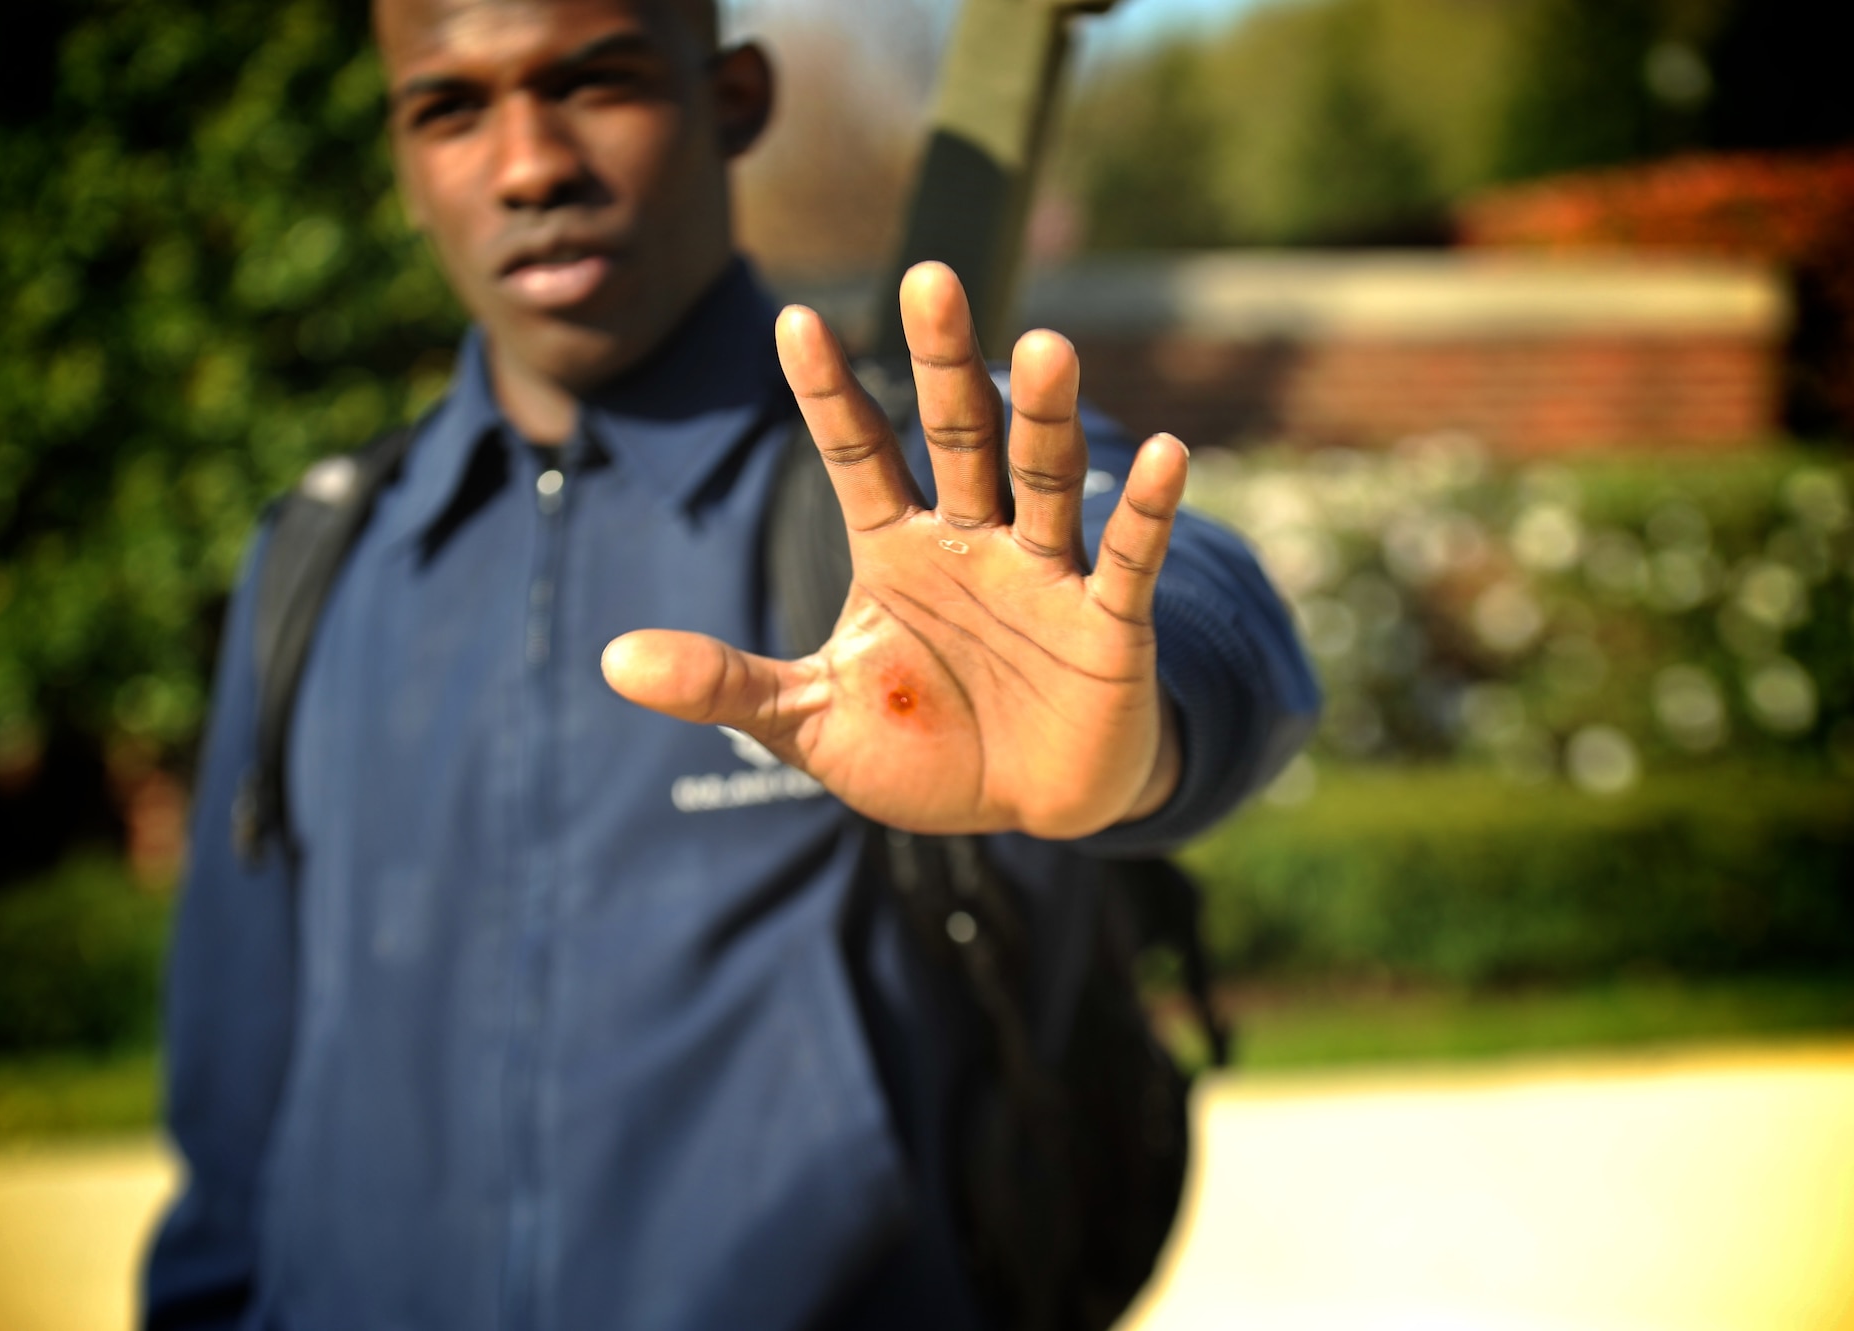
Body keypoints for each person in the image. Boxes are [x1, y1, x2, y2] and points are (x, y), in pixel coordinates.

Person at [143, 0, 1318, 1326]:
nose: (529, 164)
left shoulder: (919, 500)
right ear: (405, 161)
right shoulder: (323, 556)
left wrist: (1147, 728)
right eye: (451, 108)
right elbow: (233, 1121)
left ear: (736, 100)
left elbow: (1213, 615)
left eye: (597, 80)